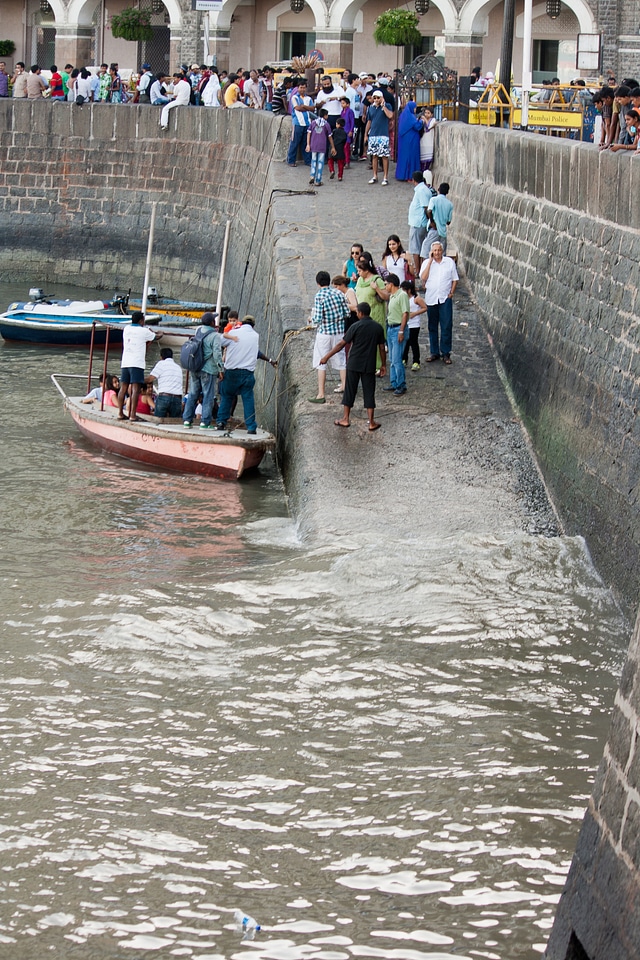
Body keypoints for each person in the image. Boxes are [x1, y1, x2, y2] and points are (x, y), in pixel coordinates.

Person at [320, 302, 387, 432]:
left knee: (350, 390)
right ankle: (371, 422)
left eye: (357, 312)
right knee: (369, 391)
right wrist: (383, 364)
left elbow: (341, 344)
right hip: (369, 364)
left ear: (360, 313)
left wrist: (326, 357)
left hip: (354, 363)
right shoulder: (378, 328)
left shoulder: (355, 326)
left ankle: (345, 418)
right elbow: (381, 348)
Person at [308, 270, 350, 403]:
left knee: (321, 362)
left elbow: (318, 318)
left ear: (318, 283)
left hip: (325, 333)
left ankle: (321, 394)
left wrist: (311, 319)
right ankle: (344, 386)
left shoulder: (319, 296)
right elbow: (347, 313)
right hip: (339, 333)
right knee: (341, 360)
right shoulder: (338, 293)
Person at [216, 315, 261, 434]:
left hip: (231, 371)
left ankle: (221, 422)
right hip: (248, 373)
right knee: (248, 399)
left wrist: (230, 329)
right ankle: (251, 427)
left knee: (226, 396)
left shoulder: (234, 332)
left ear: (241, 322)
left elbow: (220, 340)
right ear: (253, 325)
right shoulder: (255, 336)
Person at [116, 311, 160, 421]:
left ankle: (120, 413)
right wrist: (161, 333)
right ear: (141, 321)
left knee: (123, 388)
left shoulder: (126, 329)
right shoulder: (144, 331)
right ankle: (132, 415)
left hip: (125, 362)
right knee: (136, 389)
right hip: (137, 363)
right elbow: (156, 337)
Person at [420, 241, 458, 365]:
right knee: (432, 326)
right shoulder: (426, 263)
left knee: (446, 325)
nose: (437, 252)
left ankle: (446, 352)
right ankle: (434, 352)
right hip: (432, 298)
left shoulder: (449, 263)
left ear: (442, 251)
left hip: (444, 298)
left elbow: (454, 279)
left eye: (439, 250)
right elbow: (423, 278)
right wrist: (430, 261)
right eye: (434, 250)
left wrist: (451, 293)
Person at [182, 312, 223, 428]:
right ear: (211, 323)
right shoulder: (215, 335)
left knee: (193, 394)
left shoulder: (198, 330)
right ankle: (205, 422)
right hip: (208, 370)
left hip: (195, 368)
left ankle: (187, 420)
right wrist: (221, 369)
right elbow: (217, 354)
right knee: (208, 395)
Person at [354, 254, 390, 372]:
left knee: (376, 341)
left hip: (375, 314)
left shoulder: (376, 280)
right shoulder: (360, 280)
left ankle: (379, 365)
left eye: (360, 270)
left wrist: (376, 289)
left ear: (366, 270)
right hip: (362, 315)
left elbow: (386, 296)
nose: (358, 272)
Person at [382, 273, 410, 396]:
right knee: (392, 359)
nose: (385, 286)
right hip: (391, 328)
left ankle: (401, 384)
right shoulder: (392, 296)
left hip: (398, 328)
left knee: (397, 359)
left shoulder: (402, 295)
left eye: (386, 284)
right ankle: (394, 382)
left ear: (391, 284)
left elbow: (405, 313)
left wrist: (401, 331)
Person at [364, 89, 393, 185]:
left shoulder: (387, 106)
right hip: (373, 135)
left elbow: (390, 115)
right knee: (374, 156)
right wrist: (366, 134)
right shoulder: (371, 108)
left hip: (383, 135)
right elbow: (369, 121)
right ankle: (375, 175)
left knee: (384, 156)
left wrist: (383, 106)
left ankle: (385, 177)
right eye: (374, 98)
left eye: (378, 98)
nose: (376, 99)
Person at [407, 170, 433, 276]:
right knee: (420, 247)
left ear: (413, 180)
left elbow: (426, 208)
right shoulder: (423, 189)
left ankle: (418, 270)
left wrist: (429, 221)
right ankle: (420, 269)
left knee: (416, 248)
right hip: (419, 222)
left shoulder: (421, 190)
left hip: (418, 223)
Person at [147, 347, 184, 418]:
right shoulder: (178, 367)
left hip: (164, 397)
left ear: (161, 357)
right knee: (174, 423)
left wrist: (138, 380)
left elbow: (150, 379)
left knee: (158, 421)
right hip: (177, 398)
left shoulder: (161, 364)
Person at [401, 279, 426, 370]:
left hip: (414, 324)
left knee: (413, 342)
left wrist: (415, 313)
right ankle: (404, 359)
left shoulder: (416, 299)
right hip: (406, 323)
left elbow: (424, 308)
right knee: (405, 342)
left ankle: (416, 361)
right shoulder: (403, 298)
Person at [287, 78, 313, 167]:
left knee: (306, 143)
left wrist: (304, 106)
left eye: (304, 88)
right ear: (298, 88)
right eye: (301, 87)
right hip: (297, 122)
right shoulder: (294, 97)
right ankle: (291, 160)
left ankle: (308, 160)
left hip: (307, 123)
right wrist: (306, 108)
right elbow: (297, 108)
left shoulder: (308, 98)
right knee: (294, 142)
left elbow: (312, 108)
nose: (302, 89)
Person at [396, 101, 423, 181]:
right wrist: (421, 121)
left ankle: (402, 174)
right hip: (411, 140)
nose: (415, 109)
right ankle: (410, 176)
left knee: (404, 157)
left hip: (404, 140)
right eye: (414, 108)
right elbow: (417, 126)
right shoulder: (411, 116)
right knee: (411, 157)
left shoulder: (403, 115)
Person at [307, 109, 335, 186]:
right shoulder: (326, 124)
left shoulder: (313, 123)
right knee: (320, 163)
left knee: (313, 161)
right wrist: (333, 147)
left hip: (313, 145)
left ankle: (312, 176)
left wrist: (308, 144)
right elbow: (330, 137)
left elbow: (309, 133)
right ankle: (318, 180)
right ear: (325, 115)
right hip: (322, 146)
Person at [428, 182, 454, 253]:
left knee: (426, 251)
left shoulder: (433, 200)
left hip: (434, 229)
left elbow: (429, 211)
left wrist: (432, 221)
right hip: (443, 231)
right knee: (442, 253)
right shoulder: (450, 204)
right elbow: (448, 222)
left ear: (438, 189)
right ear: (447, 192)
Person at [328, 116, 348, 181]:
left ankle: (332, 170)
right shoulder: (344, 133)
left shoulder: (334, 131)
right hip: (340, 148)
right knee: (340, 163)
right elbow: (345, 141)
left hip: (333, 147)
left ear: (338, 124)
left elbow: (331, 138)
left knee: (330, 160)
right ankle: (340, 176)